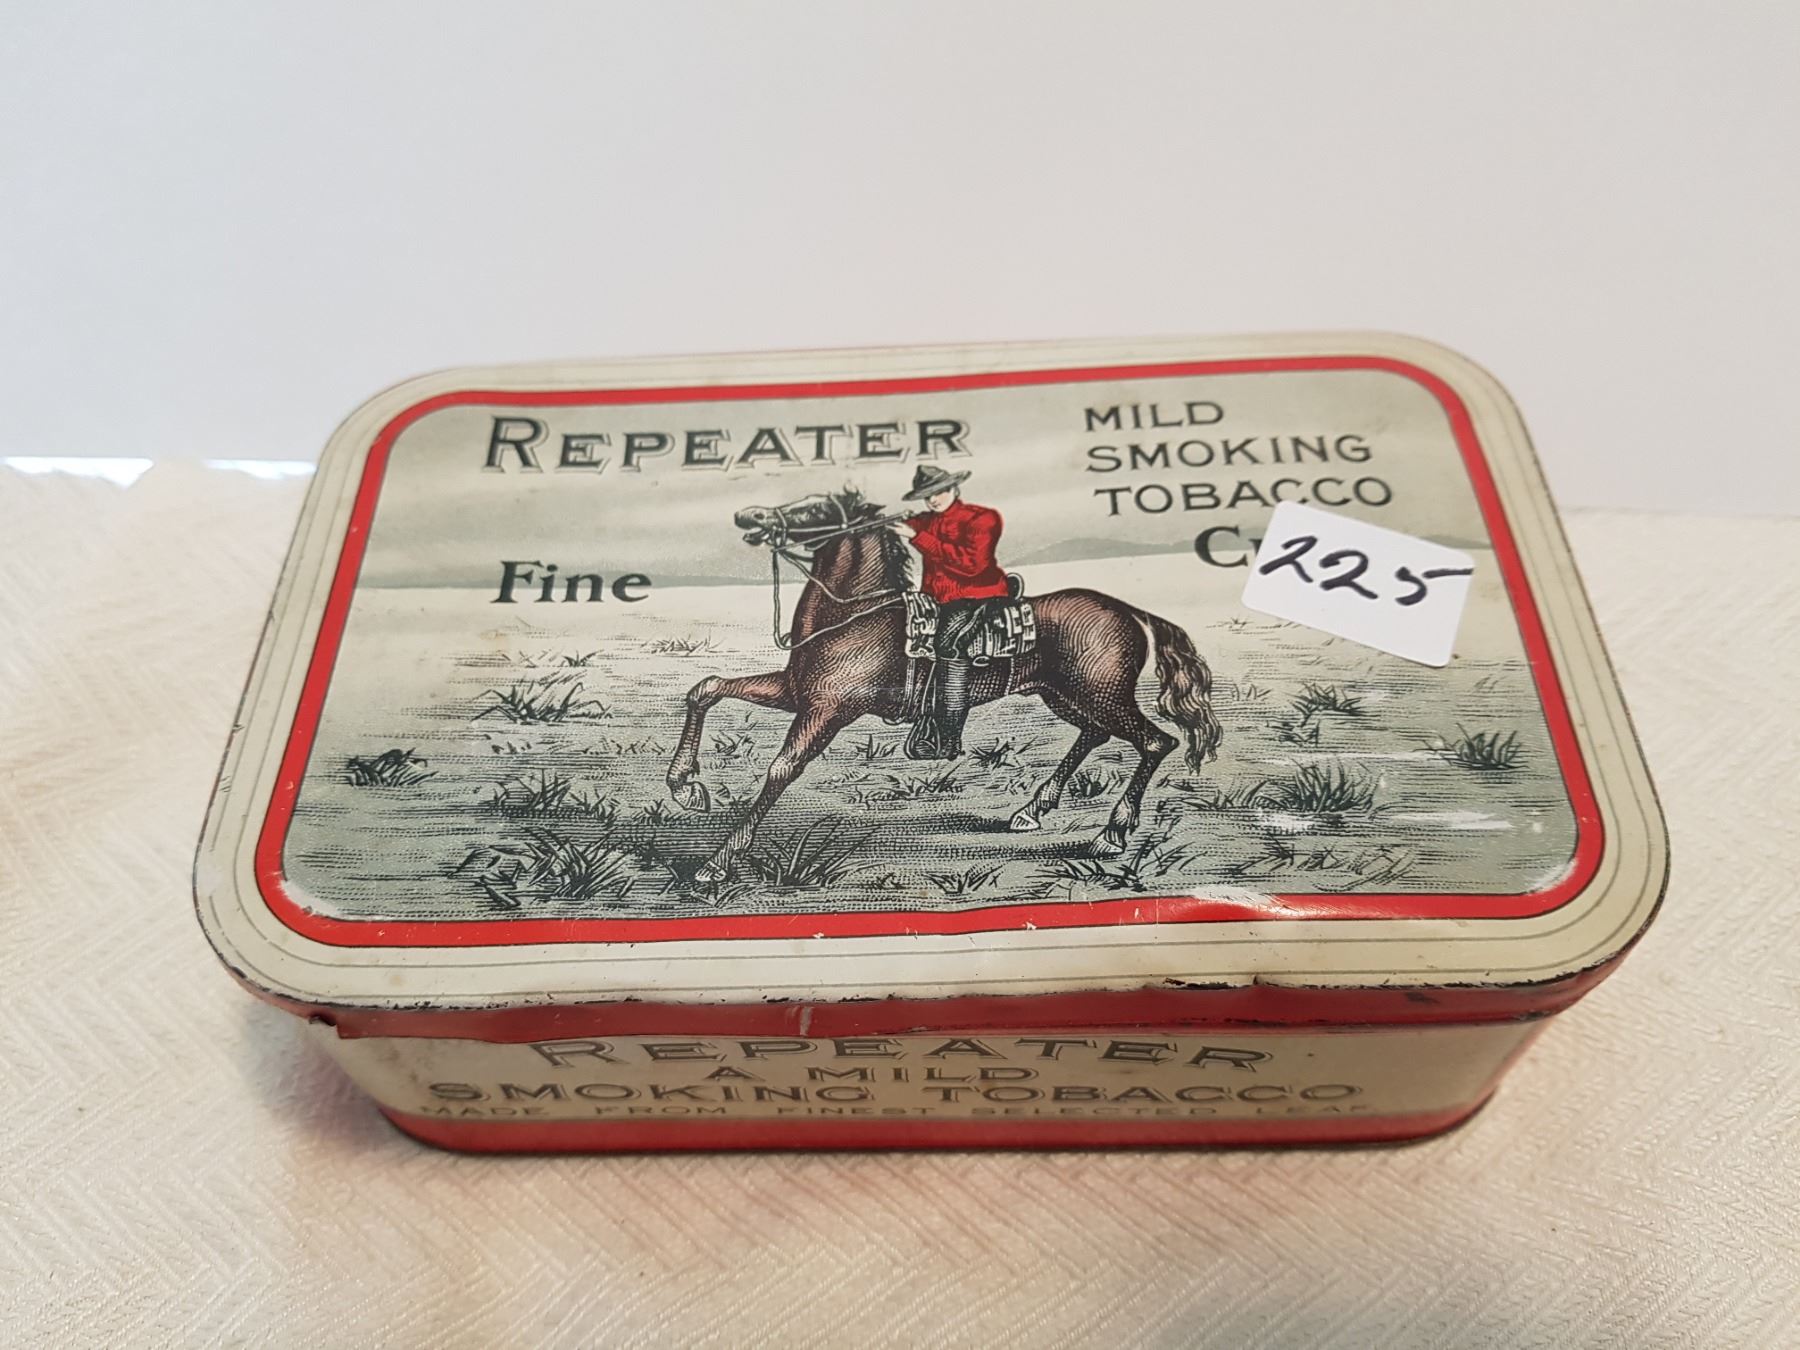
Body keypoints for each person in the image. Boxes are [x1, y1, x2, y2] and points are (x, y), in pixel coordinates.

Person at [890, 464, 1008, 756]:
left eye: (939, 491)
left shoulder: (983, 518)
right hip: (936, 600)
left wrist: (917, 537)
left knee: (948, 647)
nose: (933, 499)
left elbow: (972, 565)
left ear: (954, 488)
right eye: (927, 494)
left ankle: (949, 740)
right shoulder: (925, 520)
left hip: (976, 596)